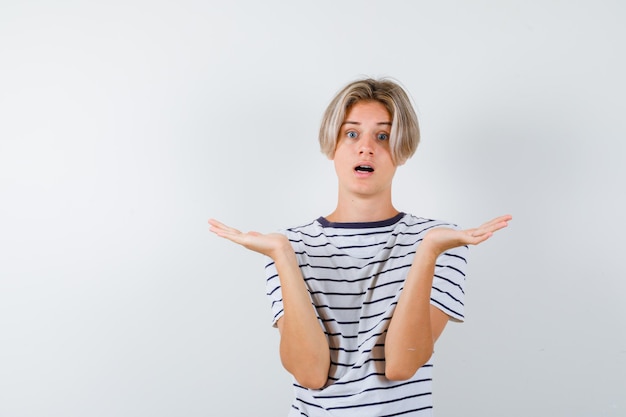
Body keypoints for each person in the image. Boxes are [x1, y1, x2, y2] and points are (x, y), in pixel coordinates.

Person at [209, 77, 511, 416]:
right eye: (352, 133)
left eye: (382, 136)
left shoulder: (441, 241)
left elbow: (401, 365)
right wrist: (282, 255)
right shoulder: (286, 245)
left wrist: (427, 253)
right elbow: (309, 373)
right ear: (332, 145)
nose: (365, 147)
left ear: (402, 148)